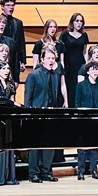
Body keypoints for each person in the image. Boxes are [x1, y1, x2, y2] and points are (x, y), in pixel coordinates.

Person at [24, 48, 64, 182]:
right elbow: (28, 97)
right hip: (36, 115)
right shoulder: (33, 75)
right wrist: (28, 115)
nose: (51, 61)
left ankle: (47, 172)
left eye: (53, 58)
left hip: (51, 114)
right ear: (42, 60)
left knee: (49, 144)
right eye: (48, 58)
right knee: (35, 145)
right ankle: (33, 173)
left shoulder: (56, 75)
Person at [75, 62, 98, 180]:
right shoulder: (81, 85)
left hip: (96, 119)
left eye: (96, 70)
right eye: (92, 70)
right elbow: (77, 103)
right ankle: (81, 171)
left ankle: (94, 170)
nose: (95, 72)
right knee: (83, 148)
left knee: (94, 147)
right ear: (88, 72)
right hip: (84, 119)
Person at [60, 13, 89, 107]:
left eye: (81, 21)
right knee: (69, 85)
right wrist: (62, 65)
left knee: (79, 85)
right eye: (77, 21)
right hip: (68, 63)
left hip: (80, 63)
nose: (79, 23)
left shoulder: (84, 35)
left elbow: (85, 52)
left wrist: (87, 65)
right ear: (72, 22)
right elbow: (61, 51)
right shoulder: (65, 34)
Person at [0, 0, 27, 81]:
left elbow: (21, 42)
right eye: (8, 5)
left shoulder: (18, 22)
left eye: (13, 5)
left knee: (13, 84)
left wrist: (23, 61)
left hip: (14, 59)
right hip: (0, 58)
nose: (11, 7)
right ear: (2, 7)